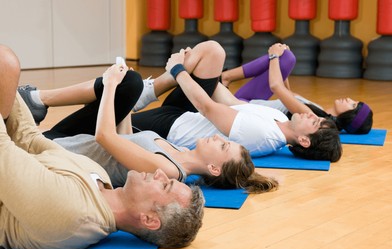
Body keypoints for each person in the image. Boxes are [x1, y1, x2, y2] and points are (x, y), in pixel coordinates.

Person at [0, 44, 204, 249]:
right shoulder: (101, 178)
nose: (160, 174)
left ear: (149, 219)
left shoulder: (74, 211)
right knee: (6, 64)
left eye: (164, 186)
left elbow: (3, 149)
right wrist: (7, 80)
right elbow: (30, 138)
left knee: (6, 61)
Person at [19, 65, 278, 194]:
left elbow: (105, 136)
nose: (217, 137)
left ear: (213, 169)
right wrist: (125, 100)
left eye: (223, 145)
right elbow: (125, 139)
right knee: (130, 84)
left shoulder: (169, 170)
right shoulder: (177, 150)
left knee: (123, 83)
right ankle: (37, 101)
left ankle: (36, 101)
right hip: (74, 139)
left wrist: (110, 86)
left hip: (52, 149)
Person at [130, 41, 342, 162]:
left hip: (172, 126)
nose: (310, 115)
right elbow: (229, 100)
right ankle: (147, 93)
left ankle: (141, 94)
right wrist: (201, 71)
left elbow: (207, 107)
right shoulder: (279, 118)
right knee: (213, 51)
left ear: (304, 141)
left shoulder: (263, 135)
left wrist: (178, 69)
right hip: (188, 111)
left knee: (105, 123)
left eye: (314, 122)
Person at [220, 44, 373, 135]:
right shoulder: (319, 111)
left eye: (353, 105)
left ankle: (225, 77)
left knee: (286, 57)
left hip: (240, 106)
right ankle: (225, 77)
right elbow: (289, 94)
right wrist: (282, 68)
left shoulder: (314, 118)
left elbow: (276, 87)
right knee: (287, 58)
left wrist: (274, 56)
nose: (349, 99)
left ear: (350, 117)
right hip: (249, 102)